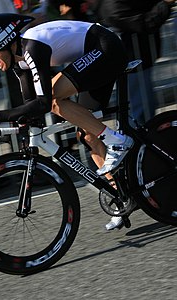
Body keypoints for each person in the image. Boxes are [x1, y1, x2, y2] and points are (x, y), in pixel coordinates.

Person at [0, 14, 134, 182]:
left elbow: (43, 103)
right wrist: (5, 122)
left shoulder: (32, 48)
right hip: (93, 55)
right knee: (87, 136)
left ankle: (117, 140)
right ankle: (120, 190)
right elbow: (31, 105)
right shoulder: (19, 63)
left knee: (53, 99)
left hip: (105, 47)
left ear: (3, 41)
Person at [89, 0, 176, 230]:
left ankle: (139, 192)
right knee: (97, 132)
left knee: (141, 132)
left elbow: (144, 21)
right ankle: (125, 194)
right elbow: (145, 22)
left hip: (134, 65)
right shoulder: (113, 4)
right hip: (123, 63)